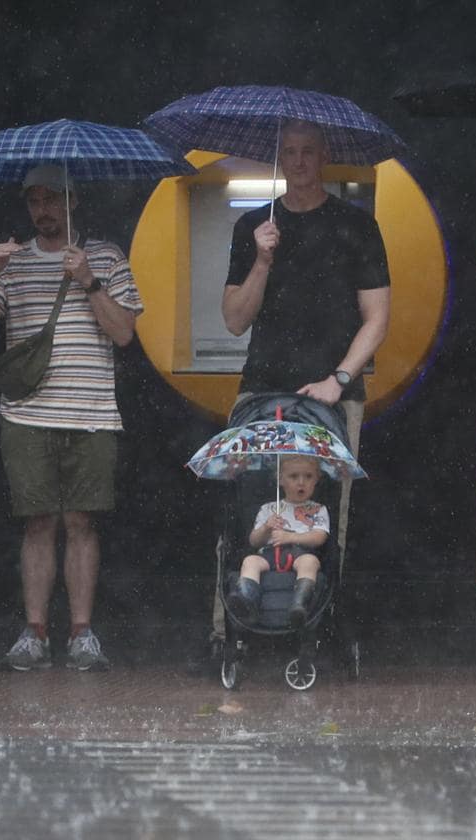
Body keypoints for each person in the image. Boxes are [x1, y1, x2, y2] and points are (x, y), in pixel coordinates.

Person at [206, 118, 390, 658]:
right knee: (245, 511)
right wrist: (263, 260)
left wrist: (340, 379)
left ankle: (320, 624)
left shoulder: (356, 226)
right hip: (261, 390)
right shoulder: (252, 228)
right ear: (279, 159)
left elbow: (377, 318)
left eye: (310, 151)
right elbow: (235, 320)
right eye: (290, 151)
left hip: (333, 398)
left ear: (325, 157)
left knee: (329, 514)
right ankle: (228, 628)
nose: (300, 161)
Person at [0, 164, 144, 672]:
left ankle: (82, 633)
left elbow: (125, 334)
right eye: (34, 201)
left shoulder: (106, 256)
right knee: (38, 523)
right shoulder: (14, 260)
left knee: (82, 522)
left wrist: (89, 281)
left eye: (52, 200)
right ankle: (36, 632)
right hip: (27, 415)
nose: (42, 211)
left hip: (91, 412)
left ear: (73, 201)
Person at [225, 455, 329, 629]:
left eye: (308, 476)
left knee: (310, 562)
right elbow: (254, 540)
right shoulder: (268, 509)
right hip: (269, 554)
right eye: (294, 476)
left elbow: (320, 537)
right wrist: (266, 527)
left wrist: (291, 537)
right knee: (250, 561)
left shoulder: (318, 509)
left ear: (316, 480)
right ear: (280, 479)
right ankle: (247, 600)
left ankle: (299, 604)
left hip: (300, 554)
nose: (301, 482)